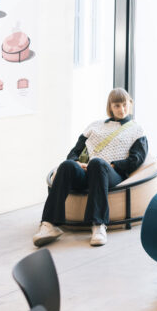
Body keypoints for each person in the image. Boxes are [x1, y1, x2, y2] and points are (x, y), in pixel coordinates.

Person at [33, 88, 148, 247]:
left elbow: (137, 159)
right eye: (117, 106)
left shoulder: (137, 130)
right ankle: (49, 224)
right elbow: (75, 151)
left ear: (130, 103)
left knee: (97, 163)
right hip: (87, 171)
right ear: (110, 106)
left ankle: (98, 225)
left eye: (124, 104)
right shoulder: (95, 126)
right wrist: (76, 162)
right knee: (66, 165)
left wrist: (112, 165)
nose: (122, 109)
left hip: (111, 173)